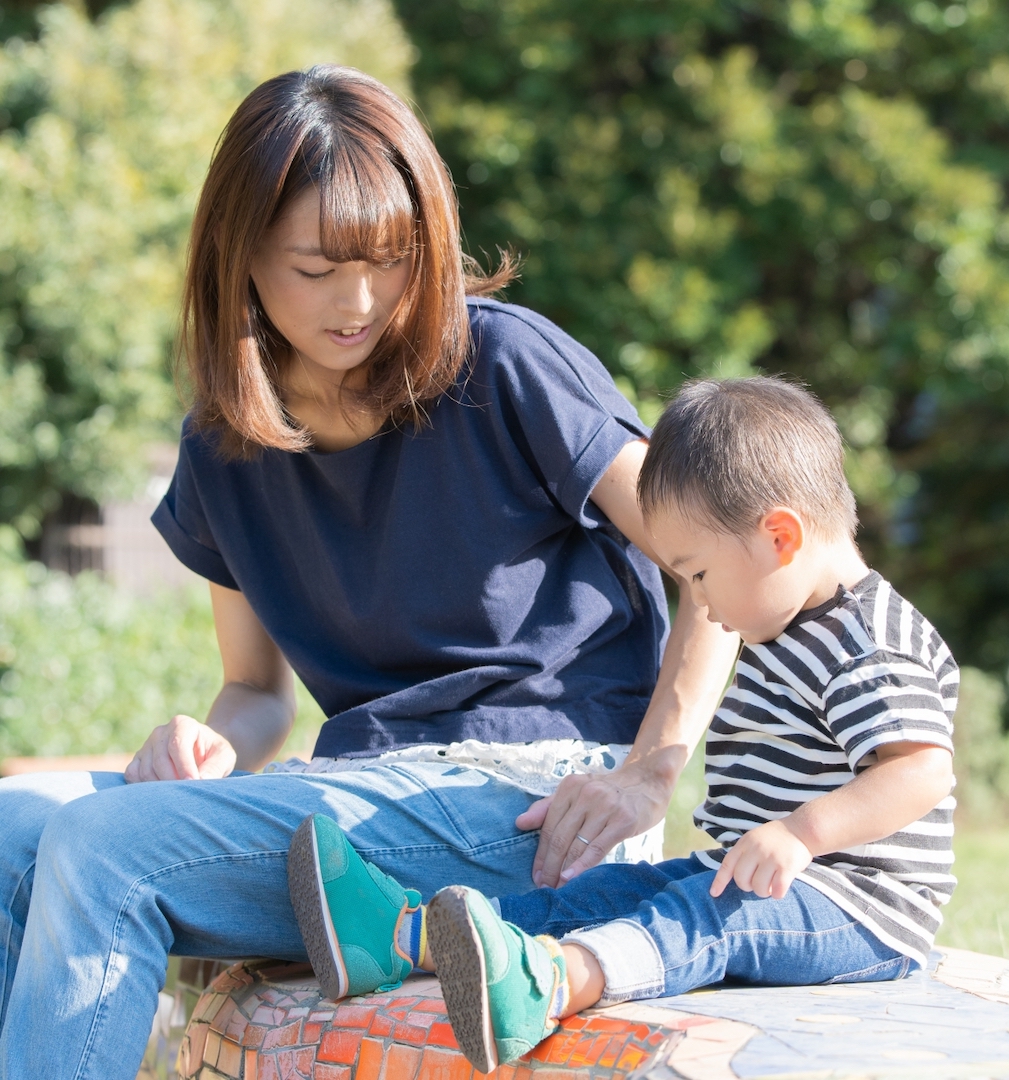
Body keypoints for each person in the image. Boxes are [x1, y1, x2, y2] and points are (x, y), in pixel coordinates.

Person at [0, 67, 736, 1080]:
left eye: (390, 261)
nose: (359, 303)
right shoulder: (225, 446)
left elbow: (720, 562)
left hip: (531, 805)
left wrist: (651, 768)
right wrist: (208, 743)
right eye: (313, 269)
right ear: (241, 256)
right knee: (14, 831)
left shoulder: (509, 365)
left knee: (104, 846)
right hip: (358, 801)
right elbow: (256, 695)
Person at [289, 376, 959, 1074]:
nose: (696, 600)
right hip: (766, 878)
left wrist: (801, 833)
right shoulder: (785, 621)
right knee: (614, 892)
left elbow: (920, 769)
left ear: (779, 537)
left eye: (698, 575)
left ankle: (549, 983)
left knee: (697, 920)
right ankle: (401, 938)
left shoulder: (869, 644)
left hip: (861, 908)